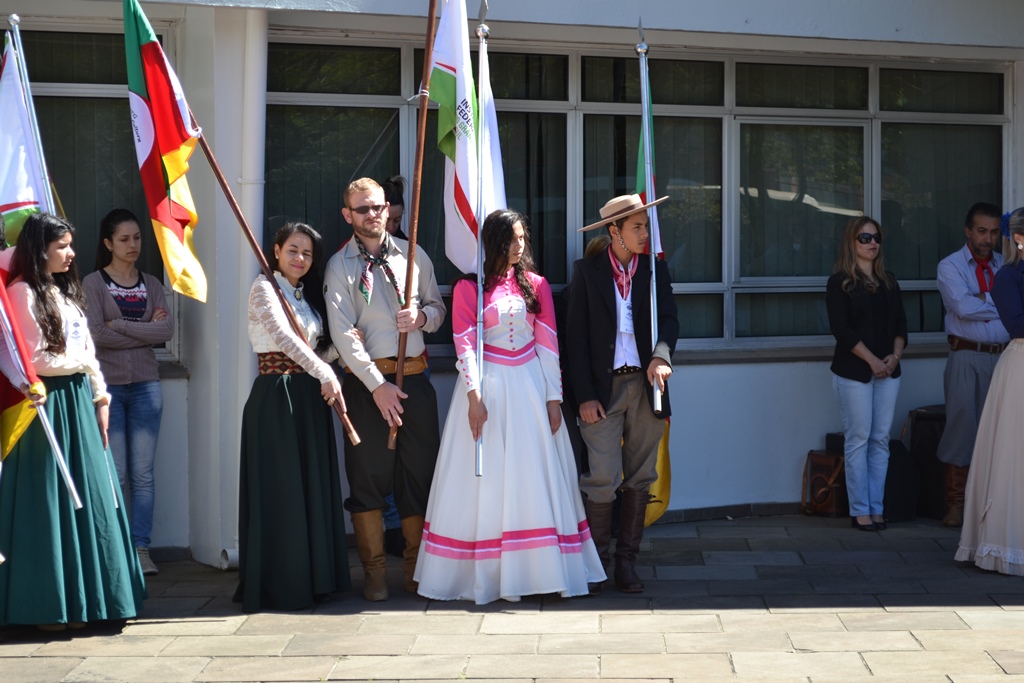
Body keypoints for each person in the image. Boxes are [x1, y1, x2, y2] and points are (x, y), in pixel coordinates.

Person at [414, 210, 605, 604]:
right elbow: (465, 345)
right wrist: (474, 397)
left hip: (531, 388)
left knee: (533, 475)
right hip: (488, 389)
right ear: (493, 242)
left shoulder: (537, 285)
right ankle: (491, 575)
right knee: (486, 481)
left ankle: (541, 571)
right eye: (512, 238)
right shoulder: (469, 287)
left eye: (522, 237)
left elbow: (549, 345)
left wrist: (553, 399)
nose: (520, 245)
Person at [0, 212, 145, 630]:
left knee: (93, 495)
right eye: (61, 246)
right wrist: (75, 367)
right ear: (39, 249)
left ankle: (89, 600)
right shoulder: (22, 293)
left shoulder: (63, 292)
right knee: (50, 501)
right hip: (48, 405)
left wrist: (100, 395)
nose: (71, 253)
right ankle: (50, 604)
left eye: (70, 245)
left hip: (79, 401)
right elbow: (31, 357)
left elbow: (87, 349)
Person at [324, 177, 446, 602]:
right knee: (367, 478)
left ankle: (415, 571)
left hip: (415, 382)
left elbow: (438, 308)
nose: (373, 214)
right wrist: (378, 387)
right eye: (363, 209)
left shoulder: (414, 256)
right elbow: (343, 335)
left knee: (418, 476)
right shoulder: (339, 266)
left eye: (378, 207)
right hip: (367, 387)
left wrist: (422, 319)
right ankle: (374, 574)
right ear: (348, 215)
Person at [233, 223, 351, 612]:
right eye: (293, 250)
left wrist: (341, 351)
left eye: (307, 254)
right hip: (277, 396)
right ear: (277, 250)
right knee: (283, 489)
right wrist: (326, 372)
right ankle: (283, 584)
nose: (300, 259)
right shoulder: (264, 288)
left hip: (308, 397)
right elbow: (285, 341)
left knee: (310, 487)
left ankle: (315, 578)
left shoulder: (304, 295)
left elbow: (314, 349)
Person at [566, 194, 679, 594]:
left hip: (647, 386)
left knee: (642, 474)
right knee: (601, 476)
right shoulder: (587, 271)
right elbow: (574, 339)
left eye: (646, 226)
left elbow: (669, 319)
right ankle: (598, 563)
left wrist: (661, 355)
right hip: (603, 390)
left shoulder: (654, 270)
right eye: (637, 227)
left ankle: (627, 564)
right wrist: (584, 395)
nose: (645, 234)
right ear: (615, 231)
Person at [83, 209, 174, 576]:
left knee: (143, 475)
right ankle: (118, 550)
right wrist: (142, 330)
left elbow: (165, 331)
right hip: (108, 390)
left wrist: (119, 324)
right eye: (124, 239)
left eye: (137, 237)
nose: (133, 245)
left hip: (147, 387)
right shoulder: (93, 283)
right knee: (116, 473)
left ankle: (141, 549)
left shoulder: (151, 283)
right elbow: (95, 335)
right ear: (108, 243)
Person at [825, 216, 908, 531]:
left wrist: (894, 358)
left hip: (889, 372)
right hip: (854, 373)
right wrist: (872, 361)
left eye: (876, 237)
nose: (872, 243)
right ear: (852, 242)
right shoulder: (840, 283)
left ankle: (877, 508)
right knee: (858, 439)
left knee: (880, 440)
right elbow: (841, 330)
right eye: (864, 238)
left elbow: (901, 324)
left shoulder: (889, 281)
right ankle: (859, 510)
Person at [956, 207, 1024, 575]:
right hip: (1021, 365)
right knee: (1015, 452)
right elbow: (1017, 325)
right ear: (1020, 238)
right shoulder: (1008, 277)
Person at [934, 202, 1007, 528]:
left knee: (1002, 431)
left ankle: (995, 506)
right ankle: (956, 504)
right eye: (981, 231)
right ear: (968, 231)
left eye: (994, 232)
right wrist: (1002, 301)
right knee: (961, 428)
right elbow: (962, 307)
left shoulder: (1007, 265)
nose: (987, 239)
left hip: (1005, 356)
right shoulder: (950, 265)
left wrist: (981, 299)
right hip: (965, 355)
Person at [381, 175, 408, 240]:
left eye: (397, 220)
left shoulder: (408, 244)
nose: (391, 228)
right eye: (386, 220)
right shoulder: (357, 244)